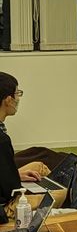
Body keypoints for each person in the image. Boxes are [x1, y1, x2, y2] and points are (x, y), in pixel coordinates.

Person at [0, 72, 41, 207]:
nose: (18, 98)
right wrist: (15, 180)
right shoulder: (2, 140)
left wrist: (16, 175)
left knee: (39, 166)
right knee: (61, 193)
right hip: (6, 206)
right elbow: (11, 190)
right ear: (8, 100)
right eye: (17, 93)